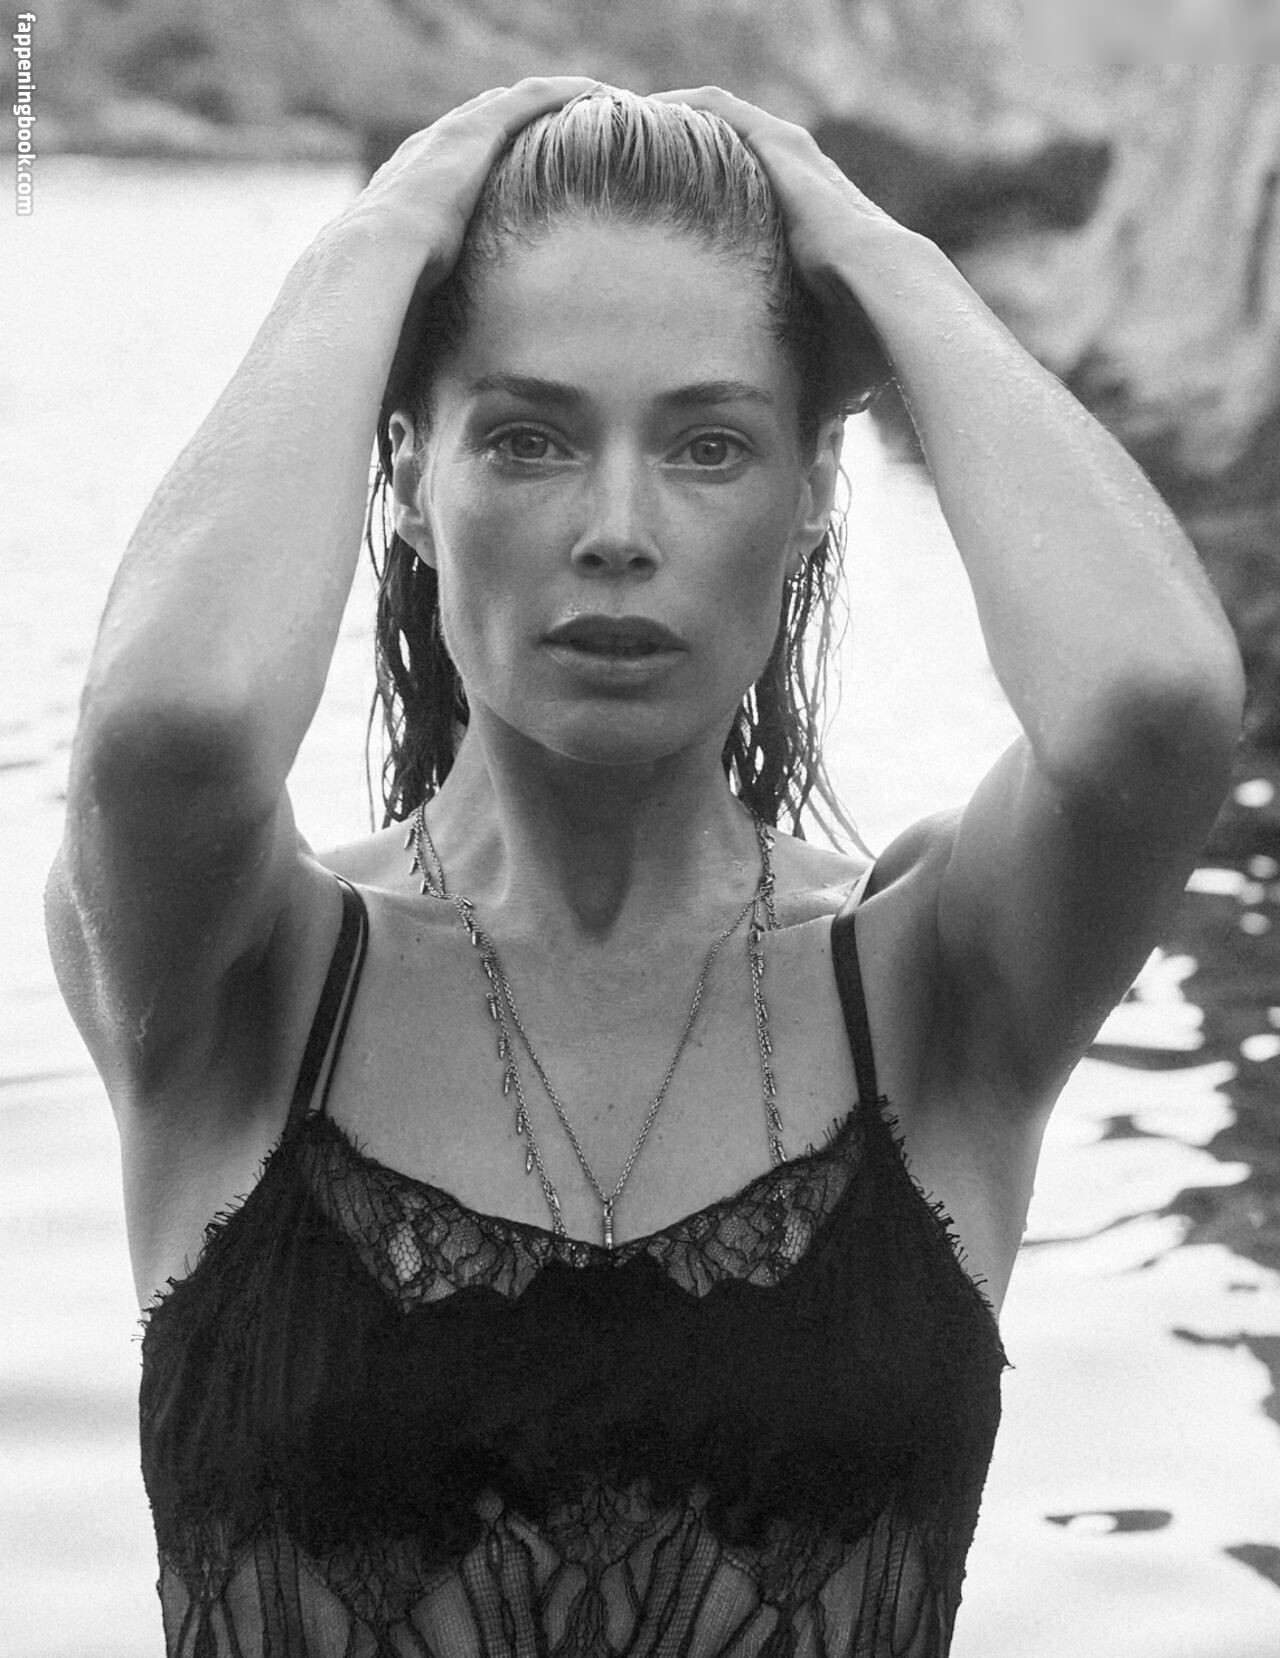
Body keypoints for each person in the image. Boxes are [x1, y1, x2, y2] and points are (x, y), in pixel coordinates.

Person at [45, 78, 1243, 1658]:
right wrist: (375, 241)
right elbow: (170, 724)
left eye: (710, 445)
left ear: (813, 496)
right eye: (527, 438)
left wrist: (885, 259)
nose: (617, 526)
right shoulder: (242, 973)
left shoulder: (928, 978)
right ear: (404, 480)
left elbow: (1155, 707)